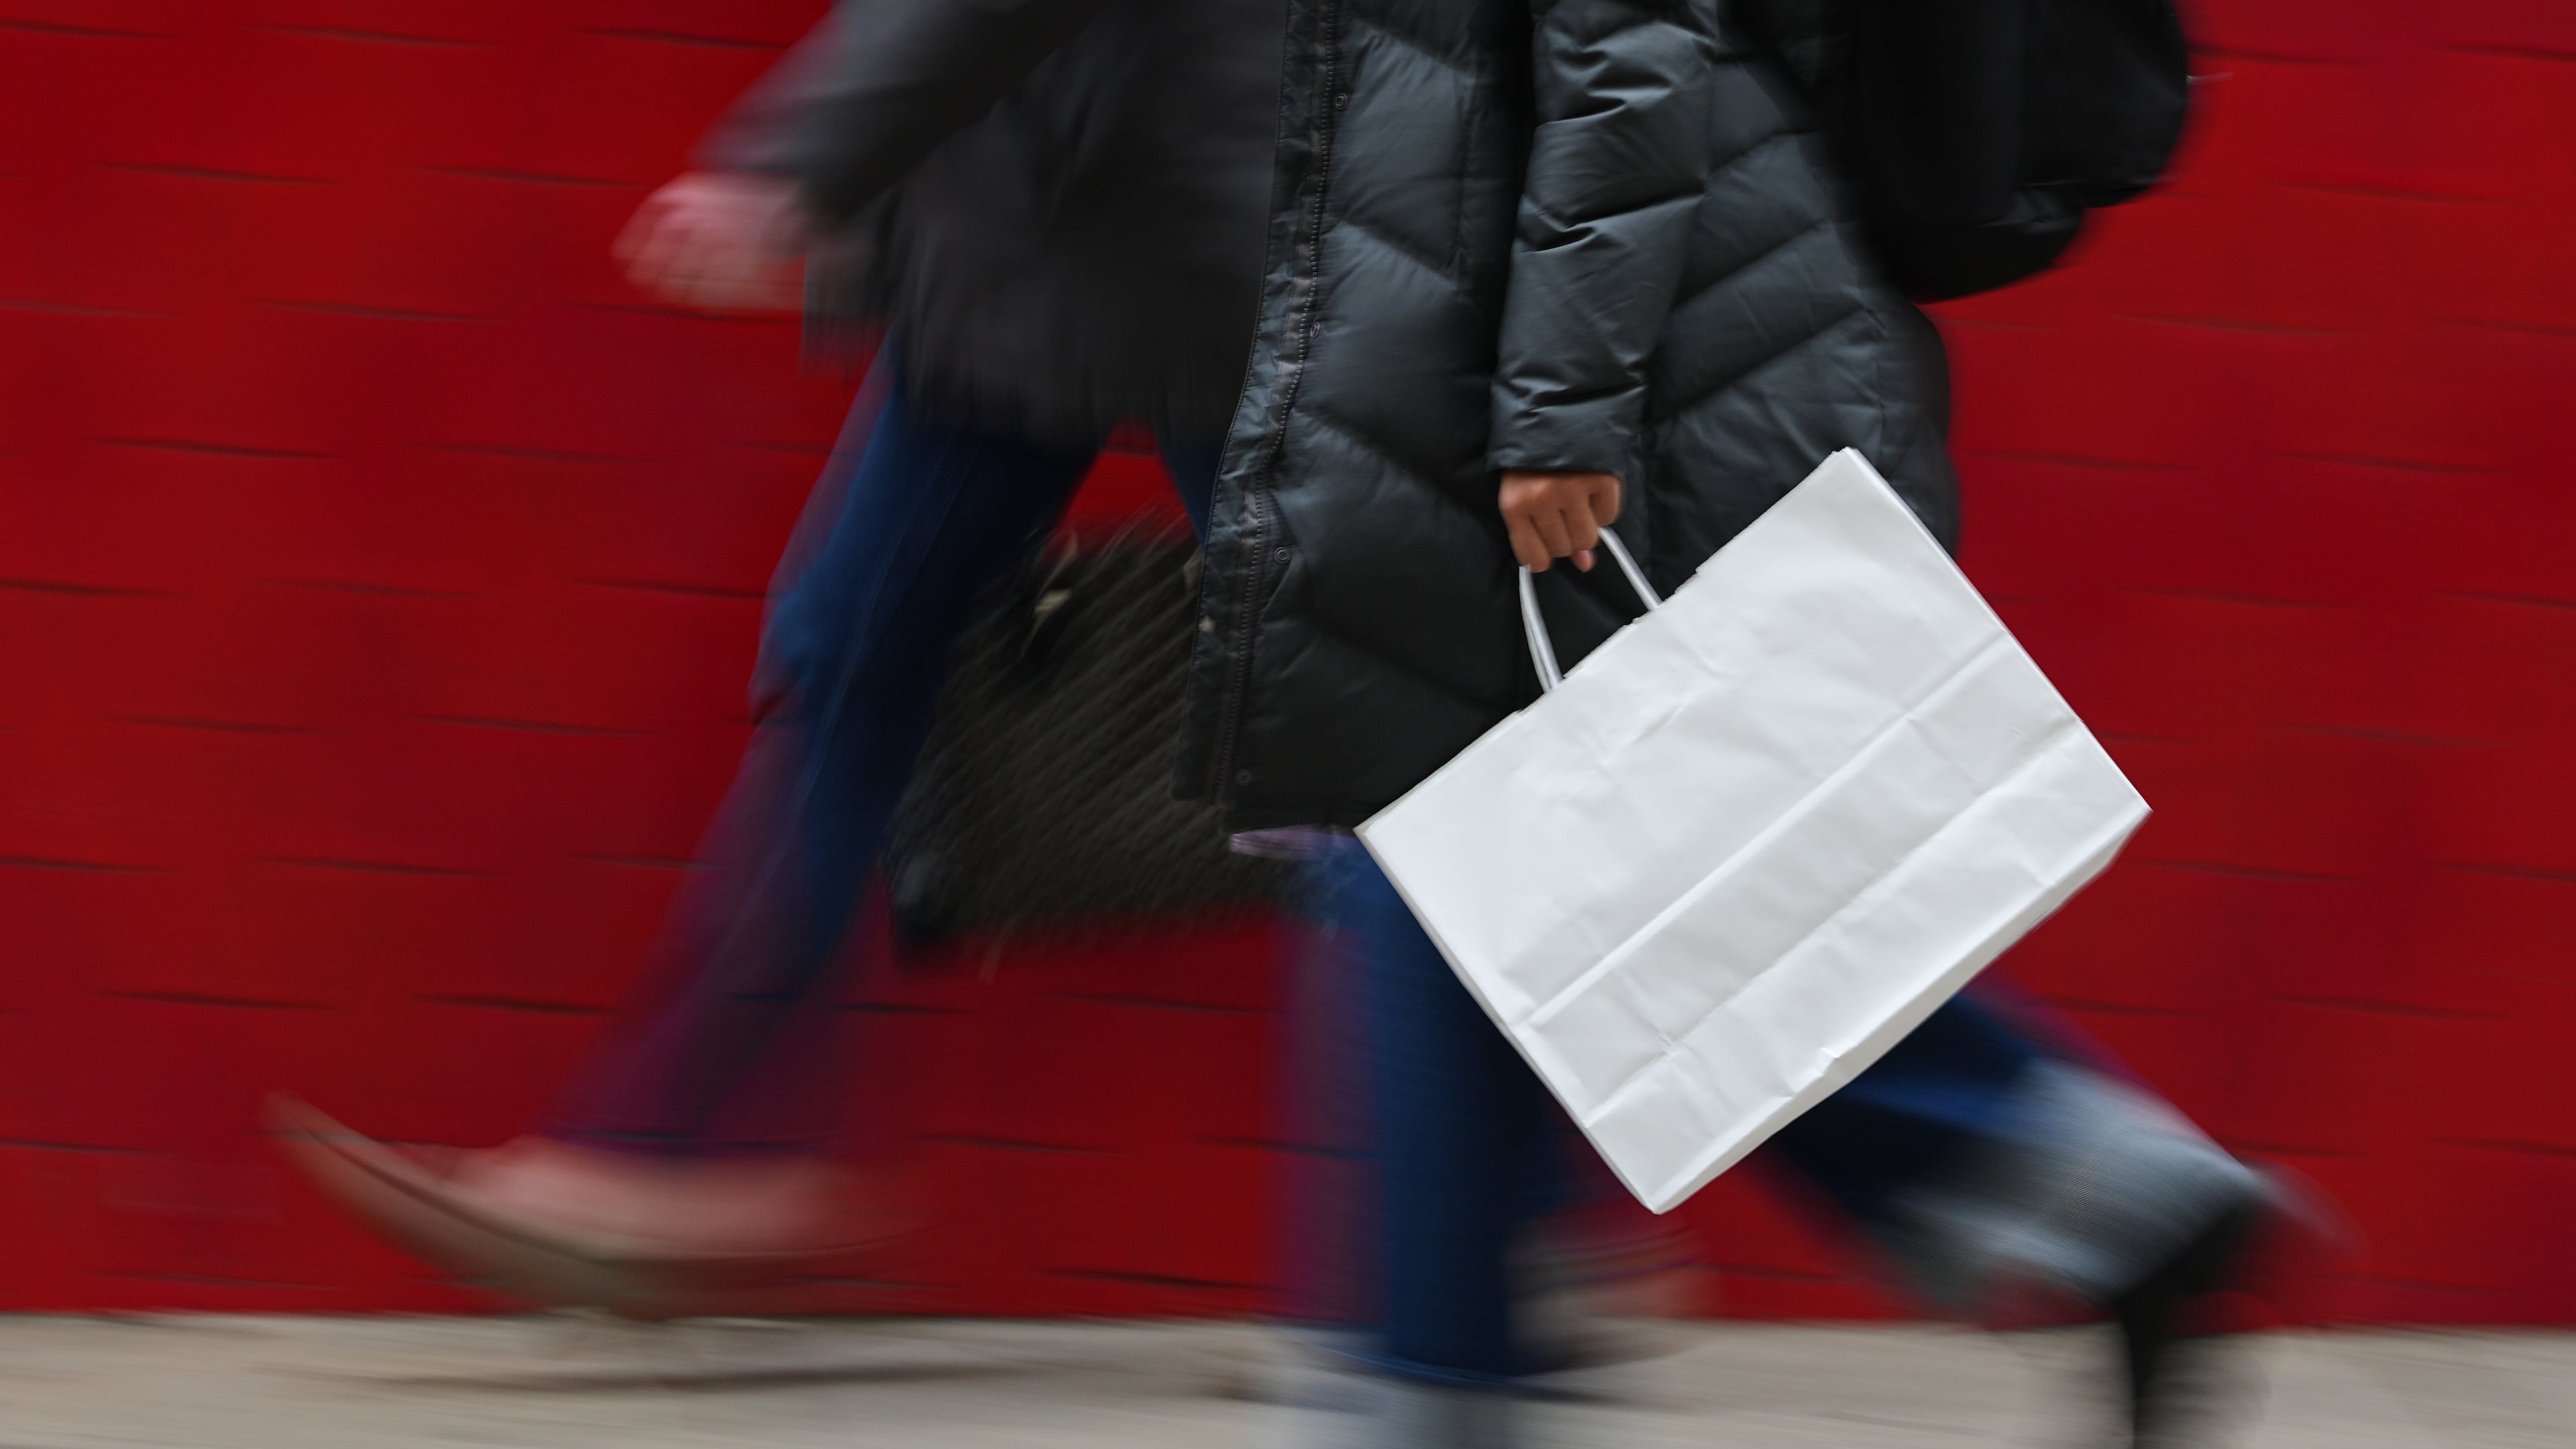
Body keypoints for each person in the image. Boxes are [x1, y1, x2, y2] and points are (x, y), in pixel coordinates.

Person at [1174, 0, 2309, 1444]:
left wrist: (1562, 407)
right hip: (1506, 302)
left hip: (1582, 340)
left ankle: (1437, 1378)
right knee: (1496, 841)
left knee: (1436, 819)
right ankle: (2089, 1183)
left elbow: (1628, 44)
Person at [272, 0, 1283, 1313]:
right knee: (859, 649)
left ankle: (1494, 1211)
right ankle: (690, 1143)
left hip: (1175, 216)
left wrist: (797, 164)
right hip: (1081, 226)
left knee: (1337, 705)